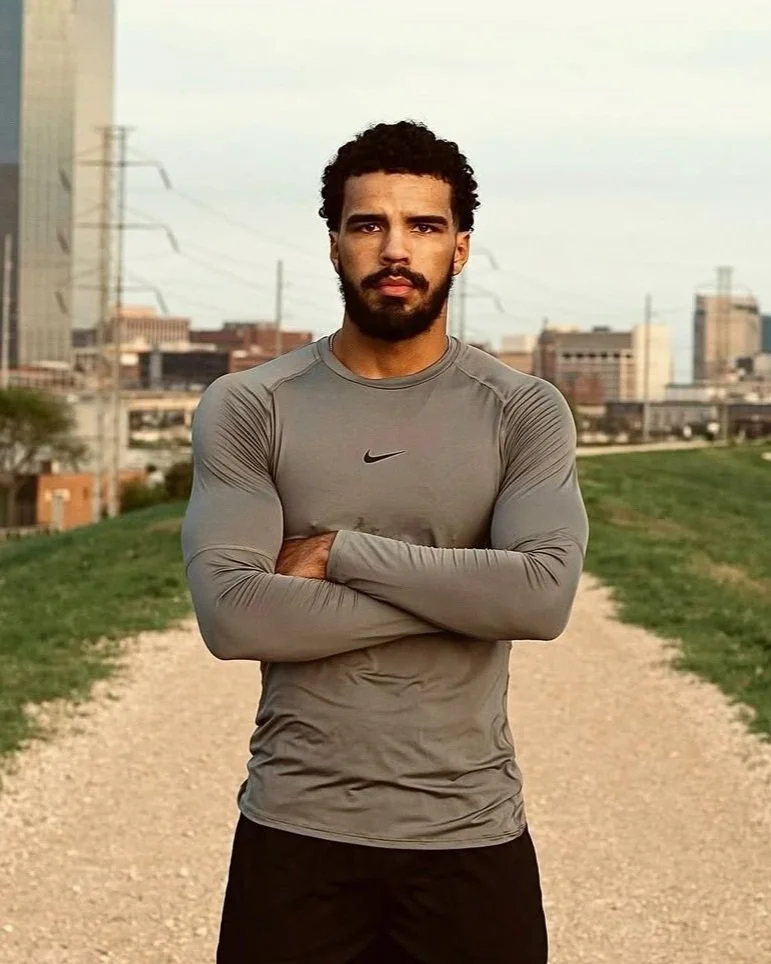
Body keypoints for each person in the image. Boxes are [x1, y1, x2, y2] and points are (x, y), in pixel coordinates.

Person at [182, 120, 589, 964]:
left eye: (424, 226)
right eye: (368, 224)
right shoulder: (253, 404)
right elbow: (234, 618)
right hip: (295, 830)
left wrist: (338, 553)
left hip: (469, 834)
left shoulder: (521, 410)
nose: (394, 249)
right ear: (334, 244)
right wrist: (469, 599)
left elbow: (541, 601)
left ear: (461, 247)